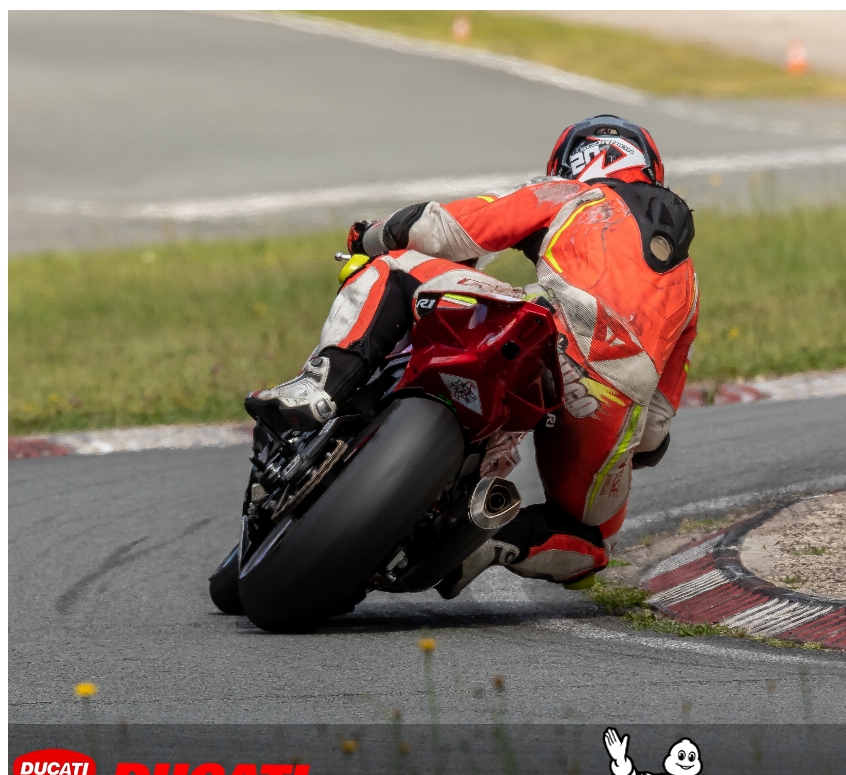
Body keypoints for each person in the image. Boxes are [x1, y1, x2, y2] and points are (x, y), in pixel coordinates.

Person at [245, 116, 698, 597]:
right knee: (593, 537)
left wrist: (372, 236)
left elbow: (448, 228)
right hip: (610, 402)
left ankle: (320, 384)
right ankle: (487, 542)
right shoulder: (689, 284)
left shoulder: (574, 194)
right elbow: (654, 433)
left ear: (574, 160)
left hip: (548, 327)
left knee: (396, 268)